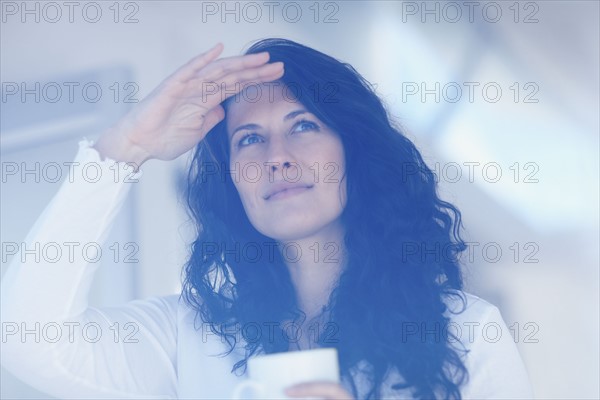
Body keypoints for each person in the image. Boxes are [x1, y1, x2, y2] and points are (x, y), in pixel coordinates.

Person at [1, 38, 533, 399]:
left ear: (354, 152)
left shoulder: (466, 332)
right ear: (233, 177)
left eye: (302, 126)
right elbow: (27, 339)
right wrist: (124, 149)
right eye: (249, 138)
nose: (275, 155)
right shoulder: (188, 337)